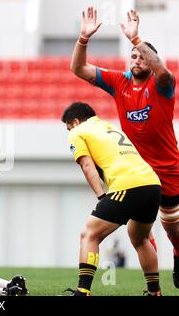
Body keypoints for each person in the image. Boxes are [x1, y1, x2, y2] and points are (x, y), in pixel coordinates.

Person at [70, 6, 179, 286]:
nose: (136, 58)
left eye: (142, 55)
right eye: (133, 55)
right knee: (138, 232)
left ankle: (177, 252)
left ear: (151, 61)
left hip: (168, 170)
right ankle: (154, 287)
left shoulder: (161, 85)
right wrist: (83, 39)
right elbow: (78, 69)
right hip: (138, 173)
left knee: (173, 230)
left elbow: (165, 73)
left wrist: (136, 40)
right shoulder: (120, 82)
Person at [62, 102, 161, 296]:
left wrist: (101, 196)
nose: (68, 131)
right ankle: (154, 292)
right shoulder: (108, 126)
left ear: (75, 121)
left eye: (68, 127)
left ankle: (83, 291)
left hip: (128, 185)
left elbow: (87, 165)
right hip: (152, 184)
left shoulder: (78, 131)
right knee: (140, 238)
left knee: (89, 234)